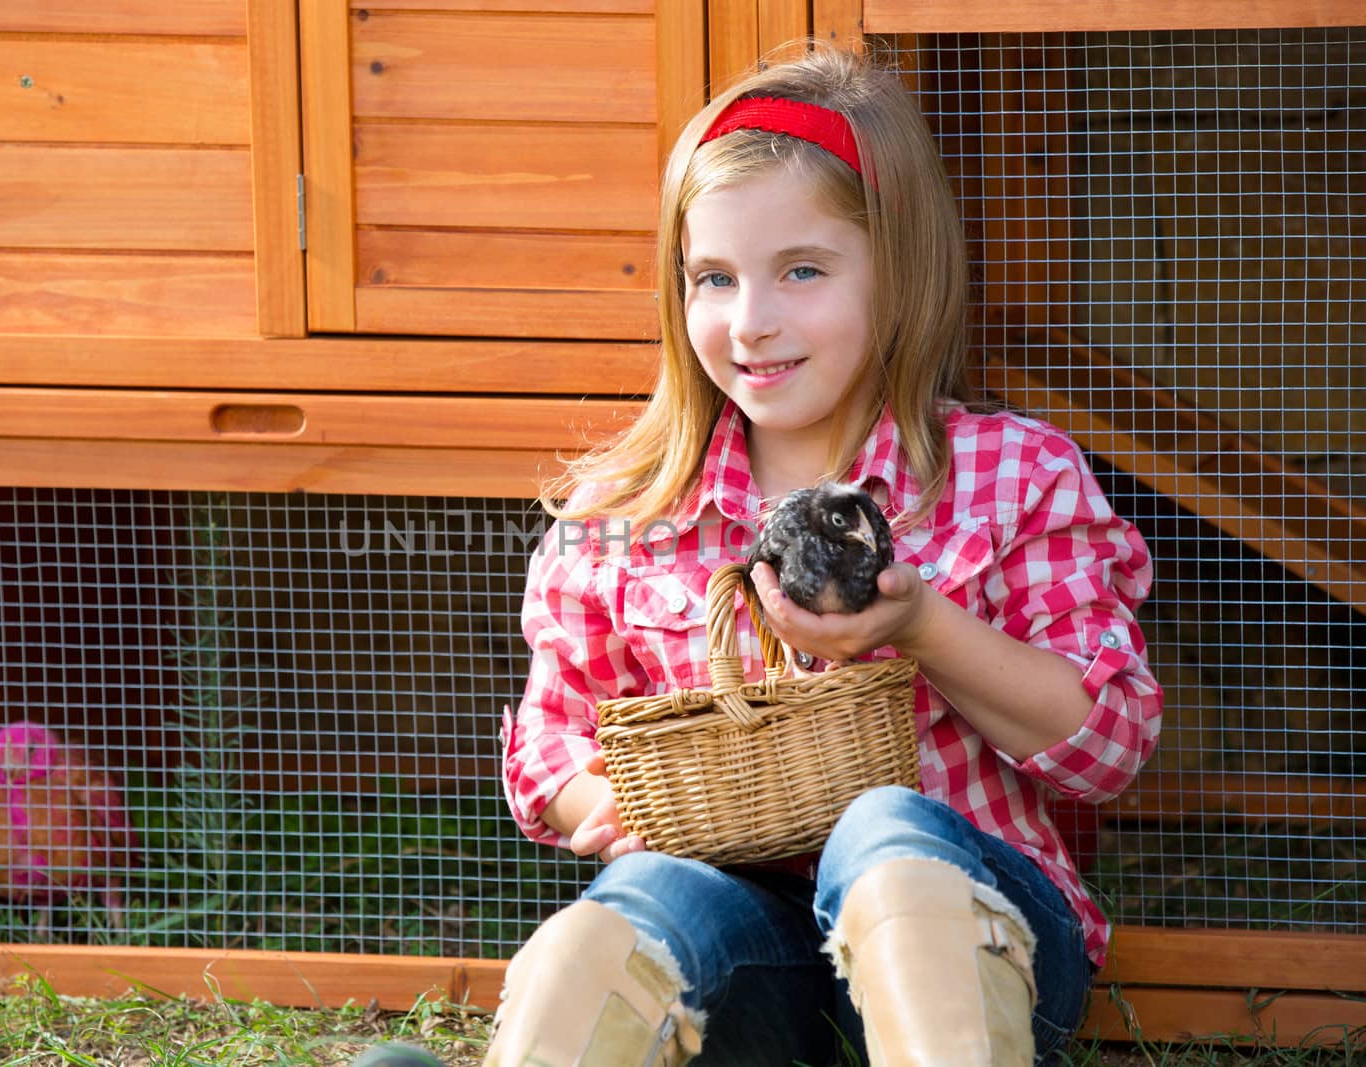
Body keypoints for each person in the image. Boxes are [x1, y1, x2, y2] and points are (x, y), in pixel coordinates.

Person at [358, 38, 1162, 1067]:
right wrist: (602, 799)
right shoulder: (624, 509)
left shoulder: (1011, 475)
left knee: (886, 827)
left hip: (983, 942)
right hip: (743, 971)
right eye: (712, 278)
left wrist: (924, 626)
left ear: (900, 268)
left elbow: (1107, 746)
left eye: (801, 270)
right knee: (637, 901)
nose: (751, 322)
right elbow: (550, 742)